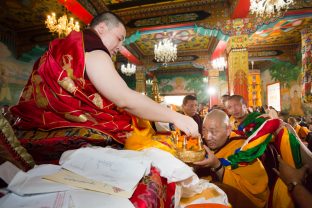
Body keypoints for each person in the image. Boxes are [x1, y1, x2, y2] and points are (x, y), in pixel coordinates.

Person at [10, 12, 199, 163]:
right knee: (141, 134)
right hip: (67, 125)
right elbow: (124, 99)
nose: (120, 46)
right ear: (101, 28)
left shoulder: (62, 46)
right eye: (119, 38)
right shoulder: (92, 49)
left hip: (31, 124)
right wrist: (176, 117)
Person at [194, 109, 269, 208]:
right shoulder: (204, 145)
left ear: (228, 130)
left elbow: (254, 190)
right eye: (204, 130)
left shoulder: (243, 151)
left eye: (214, 131)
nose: (207, 137)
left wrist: (217, 165)